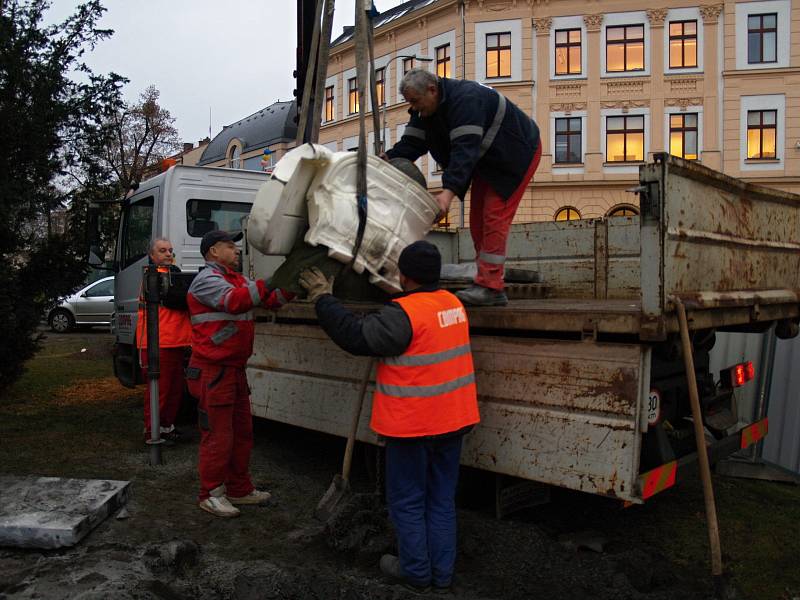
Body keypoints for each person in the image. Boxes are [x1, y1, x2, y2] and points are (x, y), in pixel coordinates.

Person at [299, 240, 480, 593]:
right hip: (453, 421)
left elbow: (356, 336)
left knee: (408, 502)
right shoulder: (452, 304)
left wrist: (323, 299)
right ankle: (441, 575)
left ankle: (415, 572)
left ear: (404, 275)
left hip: (414, 425)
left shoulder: (402, 315)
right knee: (441, 500)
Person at [383, 69, 542, 307]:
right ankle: (487, 280)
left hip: (515, 154)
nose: (413, 108)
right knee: (478, 220)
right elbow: (411, 144)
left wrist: (447, 194)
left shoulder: (466, 100)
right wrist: (385, 159)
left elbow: (464, 151)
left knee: (493, 216)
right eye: (410, 103)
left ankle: (491, 287)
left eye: (415, 101)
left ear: (432, 90)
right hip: (487, 160)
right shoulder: (424, 111)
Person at [186, 230, 293, 518]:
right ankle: (210, 494)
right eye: (229, 247)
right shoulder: (207, 281)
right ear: (212, 252)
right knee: (218, 435)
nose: (237, 251)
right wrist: (271, 280)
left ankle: (239, 489)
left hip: (233, 369)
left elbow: (272, 300)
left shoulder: (237, 279)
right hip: (213, 370)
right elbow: (235, 302)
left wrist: (293, 281)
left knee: (242, 433)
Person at [136, 237, 191, 443]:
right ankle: (153, 431)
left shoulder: (170, 274)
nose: (168, 254)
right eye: (162, 250)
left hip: (172, 342)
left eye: (170, 250)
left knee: (174, 390)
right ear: (152, 256)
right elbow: (178, 300)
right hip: (158, 343)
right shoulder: (154, 277)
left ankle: (166, 427)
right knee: (160, 391)